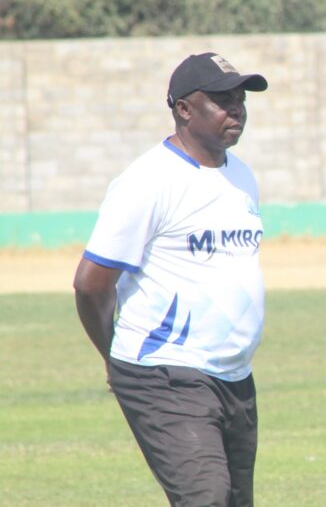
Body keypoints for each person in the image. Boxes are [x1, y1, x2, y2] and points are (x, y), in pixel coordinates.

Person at [73, 52, 269, 507]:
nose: (236, 109)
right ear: (183, 108)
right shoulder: (148, 181)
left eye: (240, 99)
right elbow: (90, 284)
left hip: (233, 375)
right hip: (164, 372)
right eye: (221, 100)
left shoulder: (241, 176)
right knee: (207, 499)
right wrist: (115, 356)